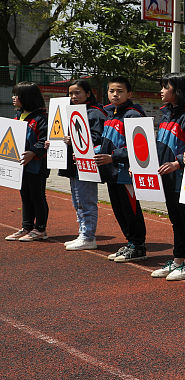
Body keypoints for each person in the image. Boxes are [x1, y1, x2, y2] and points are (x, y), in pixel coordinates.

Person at [149, 73, 185, 281]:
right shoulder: (166, 114)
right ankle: (178, 260)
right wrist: (143, 166)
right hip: (168, 178)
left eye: (166, 87)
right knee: (176, 220)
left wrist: (177, 162)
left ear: (178, 90)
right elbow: (159, 146)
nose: (161, 91)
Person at [97, 77, 148, 262]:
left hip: (126, 173)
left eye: (120, 91)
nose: (115, 95)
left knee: (130, 209)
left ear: (129, 94)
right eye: (111, 91)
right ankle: (130, 243)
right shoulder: (110, 114)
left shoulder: (133, 115)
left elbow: (138, 146)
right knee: (119, 209)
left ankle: (138, 246)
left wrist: (113, 157)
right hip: (111, 171)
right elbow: (105, 143)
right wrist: (89, 153)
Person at [59, 78, 108, 250]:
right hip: (74, 163)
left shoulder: (95, 113)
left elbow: (96, 138)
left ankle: (88, 236)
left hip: (87, 164)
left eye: (77, 92)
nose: (73, 96)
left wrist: (74, 140)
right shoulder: (71, 111)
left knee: (86, 201)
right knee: (77, 200)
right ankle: (83, 233)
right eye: (71, 93)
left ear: (88, 94)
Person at [6, 82, 50, 242]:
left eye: (17, 95)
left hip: (37, 166)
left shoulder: (41, 119)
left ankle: (40, 229)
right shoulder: (18, 116)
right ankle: (27, 227)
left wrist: (33, 152)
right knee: (25, 196)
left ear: (27, 98)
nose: (13, 98)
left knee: (37, 196)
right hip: (21, 166)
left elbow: (45, 140)